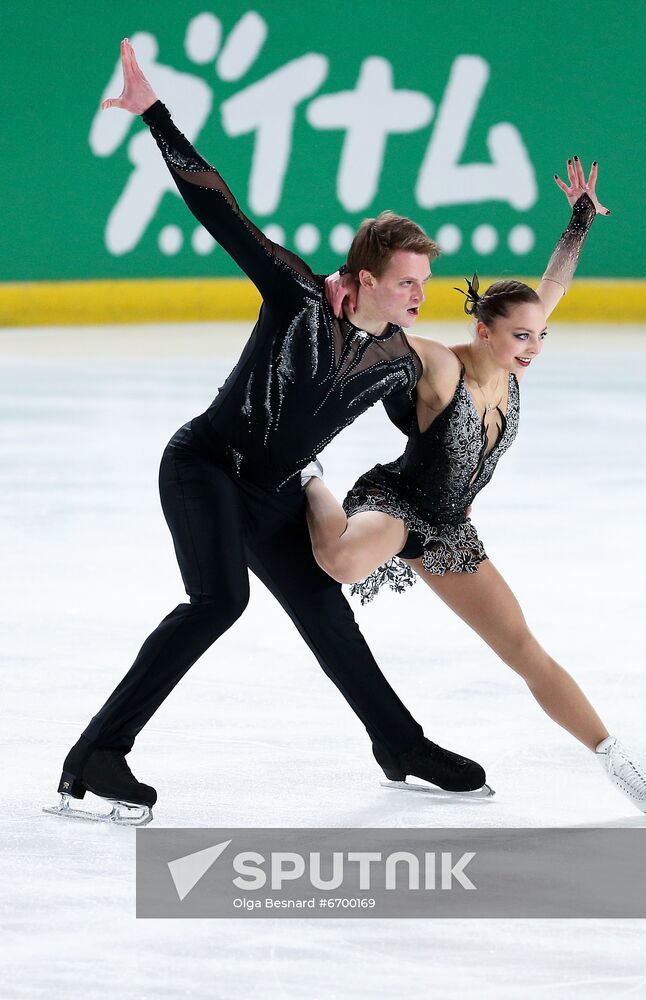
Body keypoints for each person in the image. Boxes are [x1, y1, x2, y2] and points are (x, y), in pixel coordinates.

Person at [46, 39, 490, 826]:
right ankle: (96, 754)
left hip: (277, 489)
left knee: (325, 611)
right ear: (363, 280)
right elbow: (221, 209)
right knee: (218, 600)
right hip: (207, 464)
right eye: (406, 283)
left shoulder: (396, 362)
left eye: (424, 282)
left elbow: (424, 436)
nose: (419, 295)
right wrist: (156, 114)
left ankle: (400, 744)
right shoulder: (296, 295)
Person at [304, 161, 646, 819]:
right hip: (396, 503)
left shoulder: (512, 355)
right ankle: (308, 478)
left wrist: (579, 219)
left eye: (539, 335)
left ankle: (616, 761)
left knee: (524, 650)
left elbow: (553, 281)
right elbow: (386, 335)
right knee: (344, 560)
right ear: (484, 331)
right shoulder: (443, 367)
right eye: (520, 335)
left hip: (448, 529)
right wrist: (345, 296)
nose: (532, 346)